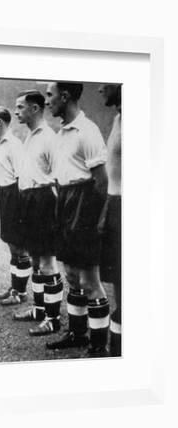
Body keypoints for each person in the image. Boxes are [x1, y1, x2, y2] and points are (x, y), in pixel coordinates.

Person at [44, 82, 110, 356]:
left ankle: (98, 346)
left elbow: (102, 181)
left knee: (89, 279)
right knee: (71, 274)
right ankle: (78, 334)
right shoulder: (61, 132)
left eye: (50, 95)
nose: (48, 100)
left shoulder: (88, 130)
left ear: (65, 96)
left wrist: (96, 219)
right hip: (66, 201)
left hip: (85, 204)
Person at [5, 91, 63, 336]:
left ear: (36, 108)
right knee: (36, 259)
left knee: (47, 261)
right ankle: (40, 309)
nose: (16, 111)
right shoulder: (30, 135)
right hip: (28, 199)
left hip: (43, 199)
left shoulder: (49, 137)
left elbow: (60, 177)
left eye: (21, 107)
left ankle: (53, 318)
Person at [0, 106, 32, 308]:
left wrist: (20, 205)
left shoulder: (14, 145)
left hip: (16, 194)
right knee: (11, 245)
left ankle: (21, 292)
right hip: (5, 193)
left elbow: (22, 176)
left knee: (19, 247)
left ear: (0, 123)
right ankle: (15, 288)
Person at [98, 83, 122, 357]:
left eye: (106, 83)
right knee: (117, 284)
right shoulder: (118, 117)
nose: (100, 88)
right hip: (114, 204)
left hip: (129, 206)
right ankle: (115, 352)